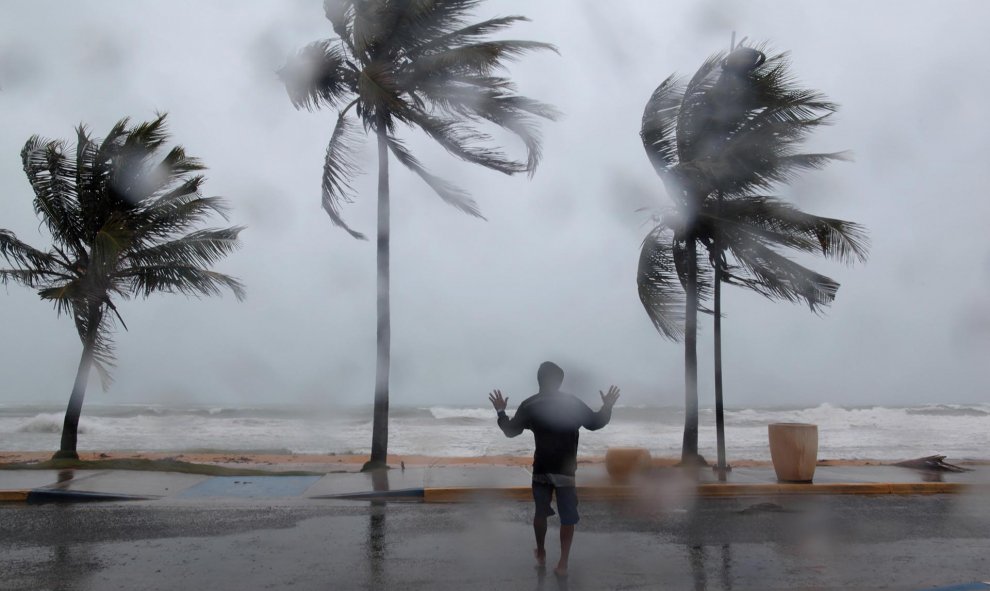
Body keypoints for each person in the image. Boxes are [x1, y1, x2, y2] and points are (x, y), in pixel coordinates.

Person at [488, 361, 620, 577]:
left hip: (541, 468)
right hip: (565, 470)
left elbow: (511, 431)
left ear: (539, 380)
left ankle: (541, 552)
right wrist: (607, 407)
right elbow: (596, 423)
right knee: (567, 517)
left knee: (540, 513)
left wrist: (501, 411)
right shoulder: (572, 403)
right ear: (560, 381)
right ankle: (563, 564)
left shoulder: (530, 404)